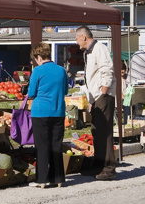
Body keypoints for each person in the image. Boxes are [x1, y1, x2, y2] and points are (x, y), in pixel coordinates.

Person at [75, 26, 117, 181]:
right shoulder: (89, 52)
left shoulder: (99, 48)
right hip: (97, 96)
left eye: (77, 38)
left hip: (103, 95)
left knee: (104, 131)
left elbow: (107, 69)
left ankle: (108, 168)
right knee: (96, 130)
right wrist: (92, 99)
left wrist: (104, 91)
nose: (76, 42)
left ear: (84, 37)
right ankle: (99, 165)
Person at [27, 42, 69, 188]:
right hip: (58, 110)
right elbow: (65, 91)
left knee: (42, 145)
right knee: (56, 144)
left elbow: (31, 93)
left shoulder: (37, 71)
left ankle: (42, 179)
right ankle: (58, 178)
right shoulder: (61, 70)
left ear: (38, 57)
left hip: (40, 111)